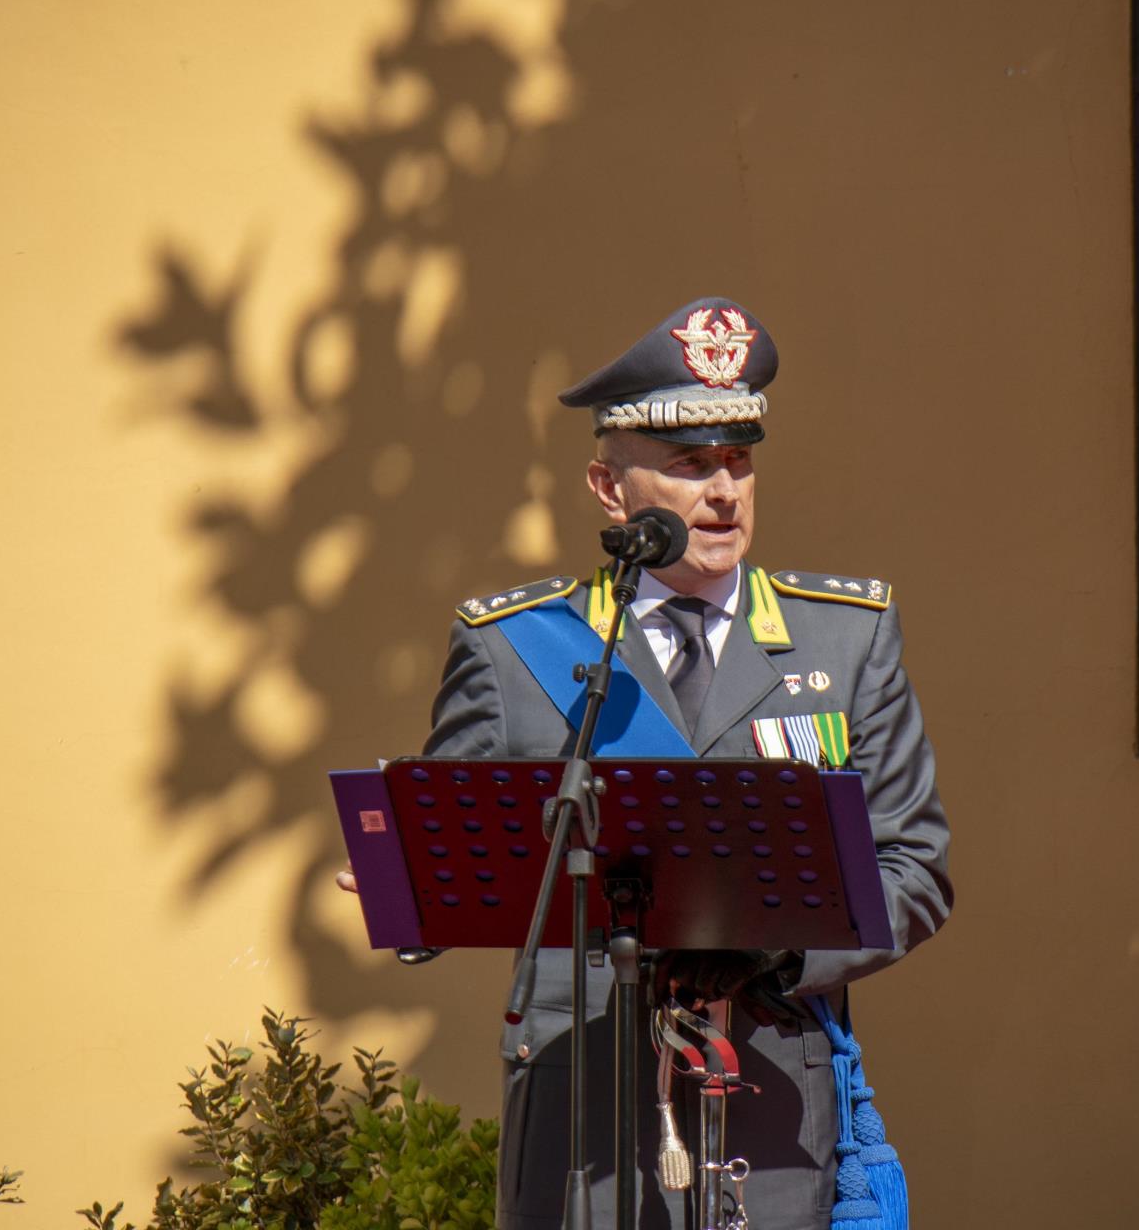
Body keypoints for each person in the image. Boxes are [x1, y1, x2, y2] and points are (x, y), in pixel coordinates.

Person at [354, 297, 952, 1229]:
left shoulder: (848, 638)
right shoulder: (514, 650)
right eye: (688, 464)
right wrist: (409, 885)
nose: (724, 492)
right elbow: (454, 848)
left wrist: (776, 949)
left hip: (766, 1090)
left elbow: (914, 869)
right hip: (581, 1105)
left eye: (738, 461)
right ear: (609, 488)